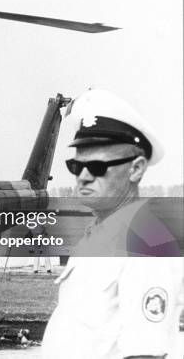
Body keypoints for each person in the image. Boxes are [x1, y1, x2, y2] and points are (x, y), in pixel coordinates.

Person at [42, 89, 183, 359]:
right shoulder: (98, 236)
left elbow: (145, 354)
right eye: (76, 166)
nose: (82, 177)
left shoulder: (147, 244)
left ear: (137, 169)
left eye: (96, 167)